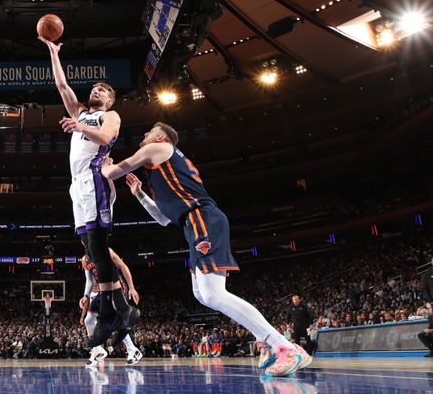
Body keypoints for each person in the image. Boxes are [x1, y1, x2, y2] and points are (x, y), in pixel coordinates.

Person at [101, 123, 310, 377]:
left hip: (202, 219)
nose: (144, 136)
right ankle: (267, 339)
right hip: (194, 223)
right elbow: (164, 219)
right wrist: (140, 195)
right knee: (201, 294)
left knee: (213, 294)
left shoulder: (160, 147)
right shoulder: (162, 168)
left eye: (149, 132)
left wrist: (102, 161)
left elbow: (112, 172)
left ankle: (284, 346)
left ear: (162, 137)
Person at [40, 37, 139, 348]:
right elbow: (62, 86)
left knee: (98, 242)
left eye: (104, 91)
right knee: (88, 244)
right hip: (77, 184)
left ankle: (113, 307)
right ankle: (121, 309)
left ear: (109, 101)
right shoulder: (81, 112)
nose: (97, 91)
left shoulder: (108, 116)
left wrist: (80, 128)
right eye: (95, 88)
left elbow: (107, 136)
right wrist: (54, 53)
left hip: (95, 178)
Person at [80, 247, 142, 366]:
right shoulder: (84, 260)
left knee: (116, 321)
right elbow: (89, 281)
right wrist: (85, 295)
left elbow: (123, 266)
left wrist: (132, 288)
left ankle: (132, 350)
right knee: (88, 320)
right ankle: (98, 350)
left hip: (117, 288)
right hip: (103, 291)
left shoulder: (106, 251)